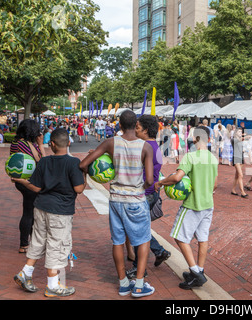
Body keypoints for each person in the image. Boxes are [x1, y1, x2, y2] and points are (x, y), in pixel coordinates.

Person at [79, 110, 155, 298]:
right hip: (136, 199)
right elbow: (151, 179)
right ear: (136, 125)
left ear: (119, 125)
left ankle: (123, 283)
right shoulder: (146, 147)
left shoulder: (110, 143)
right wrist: (140, 187)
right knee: (144, 239)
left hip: (115, 200)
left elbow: (83, 164)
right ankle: (139, 285)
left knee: (118, 241)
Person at [12, 128, 86, 297]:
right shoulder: (73, 163)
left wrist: (22, 180)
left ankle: (26, 273)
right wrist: (86, 177)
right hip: (60, 212)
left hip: (40, 207)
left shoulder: (44, 162)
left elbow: (36, 187)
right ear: (68, 143)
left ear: (51, 144)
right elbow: (79, 189)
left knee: (38, 240)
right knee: (56, 245)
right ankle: (52, 285)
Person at [154, 126, 218, 290]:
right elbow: (215, 184)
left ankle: (195, 272)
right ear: (209, 139)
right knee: (203, 238)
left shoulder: (190, 157)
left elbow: (177, 177)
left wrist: (160, 182)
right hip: (208, 204)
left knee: (180, 237)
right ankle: (200, 270)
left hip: (192, 205)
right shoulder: (212, 158)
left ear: (195, 139)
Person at [126, 115, 171, 280]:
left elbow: (147, 176)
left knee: (138, 232)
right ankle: (159, 252)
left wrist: (138, 191)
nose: (135, 130)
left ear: (145, 130)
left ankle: (139, 268)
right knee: (141, 229)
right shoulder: (153, 146)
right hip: (151, 193)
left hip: (144, 194)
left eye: (137, 127)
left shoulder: (144, 147)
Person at [10, 120, 46, 253]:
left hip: (22, 181)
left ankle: (27, 242)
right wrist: (41, 145)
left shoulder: (17, 142)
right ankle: (24, 244)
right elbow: (42, 162)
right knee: (29, 213)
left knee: (29, 211)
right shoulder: (23, 143)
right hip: (27, 182)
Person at [231, 127, 248, 198]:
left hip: (241, 157)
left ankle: (233, 189)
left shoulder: (240, 140)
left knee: (237, 175)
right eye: (239, 132)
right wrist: (246, 136)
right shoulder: (233, 139)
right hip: (236, 158)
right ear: (235, 133)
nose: (240, 133)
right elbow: (239, 140)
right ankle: (242, 192)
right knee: (241, 175)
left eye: (241, 132)